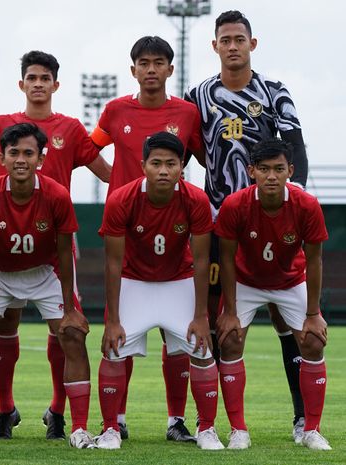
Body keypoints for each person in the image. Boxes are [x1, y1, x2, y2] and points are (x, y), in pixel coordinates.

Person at [185, 10, 310, 440]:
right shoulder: (198, 95)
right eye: (225, 39)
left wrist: (291, 209)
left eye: (240, 39)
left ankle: (300, 419)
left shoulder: (275, 93)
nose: (233, 46)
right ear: (215, 46)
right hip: (221, 226)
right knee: (223, 323)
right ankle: (217, 425)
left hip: (273, 226)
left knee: (287, 320)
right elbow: (179, 151)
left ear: (252, 45)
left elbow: (296, 151)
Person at [0, 50, 110, 440]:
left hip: (55, 248)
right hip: (6, 244)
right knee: (7, 324)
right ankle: (5, 411)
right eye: (31, 77)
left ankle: (57, 410)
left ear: (56, 85)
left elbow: (104, 170)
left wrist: (141, 185)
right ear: (22, 84)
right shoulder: (3, 125)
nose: (38, 84)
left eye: (45, 78)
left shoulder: (69, 128)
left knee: (64, 329)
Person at [0, 123, 95, 449]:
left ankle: (80, 428)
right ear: (2, 157)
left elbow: (64, 252)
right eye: (13, 152)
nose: (21, 159)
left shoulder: (57, 195)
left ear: (41, 159)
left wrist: (70, 309)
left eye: (29, 153)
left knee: (72, 334)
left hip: (45, 273)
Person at [89, 36, 204, 441]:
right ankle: (115, 418)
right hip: (125, 223)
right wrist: (112, 178)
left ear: (170, 70)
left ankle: (177, 419)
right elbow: (88, 149)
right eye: (143, 62)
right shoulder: (116, 109)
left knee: (179, 341)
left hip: (171, 225)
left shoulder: (187, 113)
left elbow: (205, 156)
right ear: (133, 68)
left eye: (159, 62)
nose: (151, 69)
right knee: (124, 333)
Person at [97, 132, 222, 451]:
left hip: (177, 281)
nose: (164, 170)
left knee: (202, 350)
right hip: (133, 280)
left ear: (182, 166)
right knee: (113, 351)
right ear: (143, 166)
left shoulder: (195, 199)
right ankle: (110, 428)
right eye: (156, 163)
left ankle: (207, 428)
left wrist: (201, 314)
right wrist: (111, 318)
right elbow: (112, 263)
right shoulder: (121, 199)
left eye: (171, 163)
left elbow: (202, 259)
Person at [214, 138, 329, 450]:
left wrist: (313, 313)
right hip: (246, 280)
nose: (272, 176)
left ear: (290, 170)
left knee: (313, 341)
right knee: (230, 338)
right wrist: (230, 311)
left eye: (279, 169)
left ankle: (312, 430)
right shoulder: (235, 205)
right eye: (264, 169)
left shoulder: (307, 205)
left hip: (291, 280)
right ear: (252, 171)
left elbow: (315, 259)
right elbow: (225, 259)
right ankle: (238, 429)